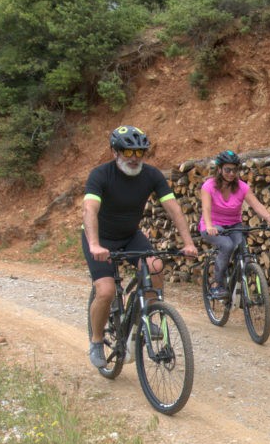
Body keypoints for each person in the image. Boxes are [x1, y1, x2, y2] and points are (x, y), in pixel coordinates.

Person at [82, 125, 199, 368]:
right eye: (128, 152)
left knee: (155, 266)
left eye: (140, 153)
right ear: (115, 152)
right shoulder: (100, 175)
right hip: (100, 240)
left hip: (129, 235)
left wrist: (188, 243)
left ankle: (143, 317)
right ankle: (95, 341)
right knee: (105, 291)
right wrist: (94, 244)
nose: (134, 159)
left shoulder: (152, 175)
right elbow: (89, 210)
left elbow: (174, 209)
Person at [199, 150, 270, 299]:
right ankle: (218, 285)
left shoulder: (242, 187)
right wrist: (209, 226)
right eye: (227, 170)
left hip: (234, 225)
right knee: (227, 245)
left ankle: (241, 284)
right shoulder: (208, 186)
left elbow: (256, 205)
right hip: (212, 225)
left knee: (244, 251)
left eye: (235, 170)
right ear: (219, 169)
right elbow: (206, 208)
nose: (231, 173)